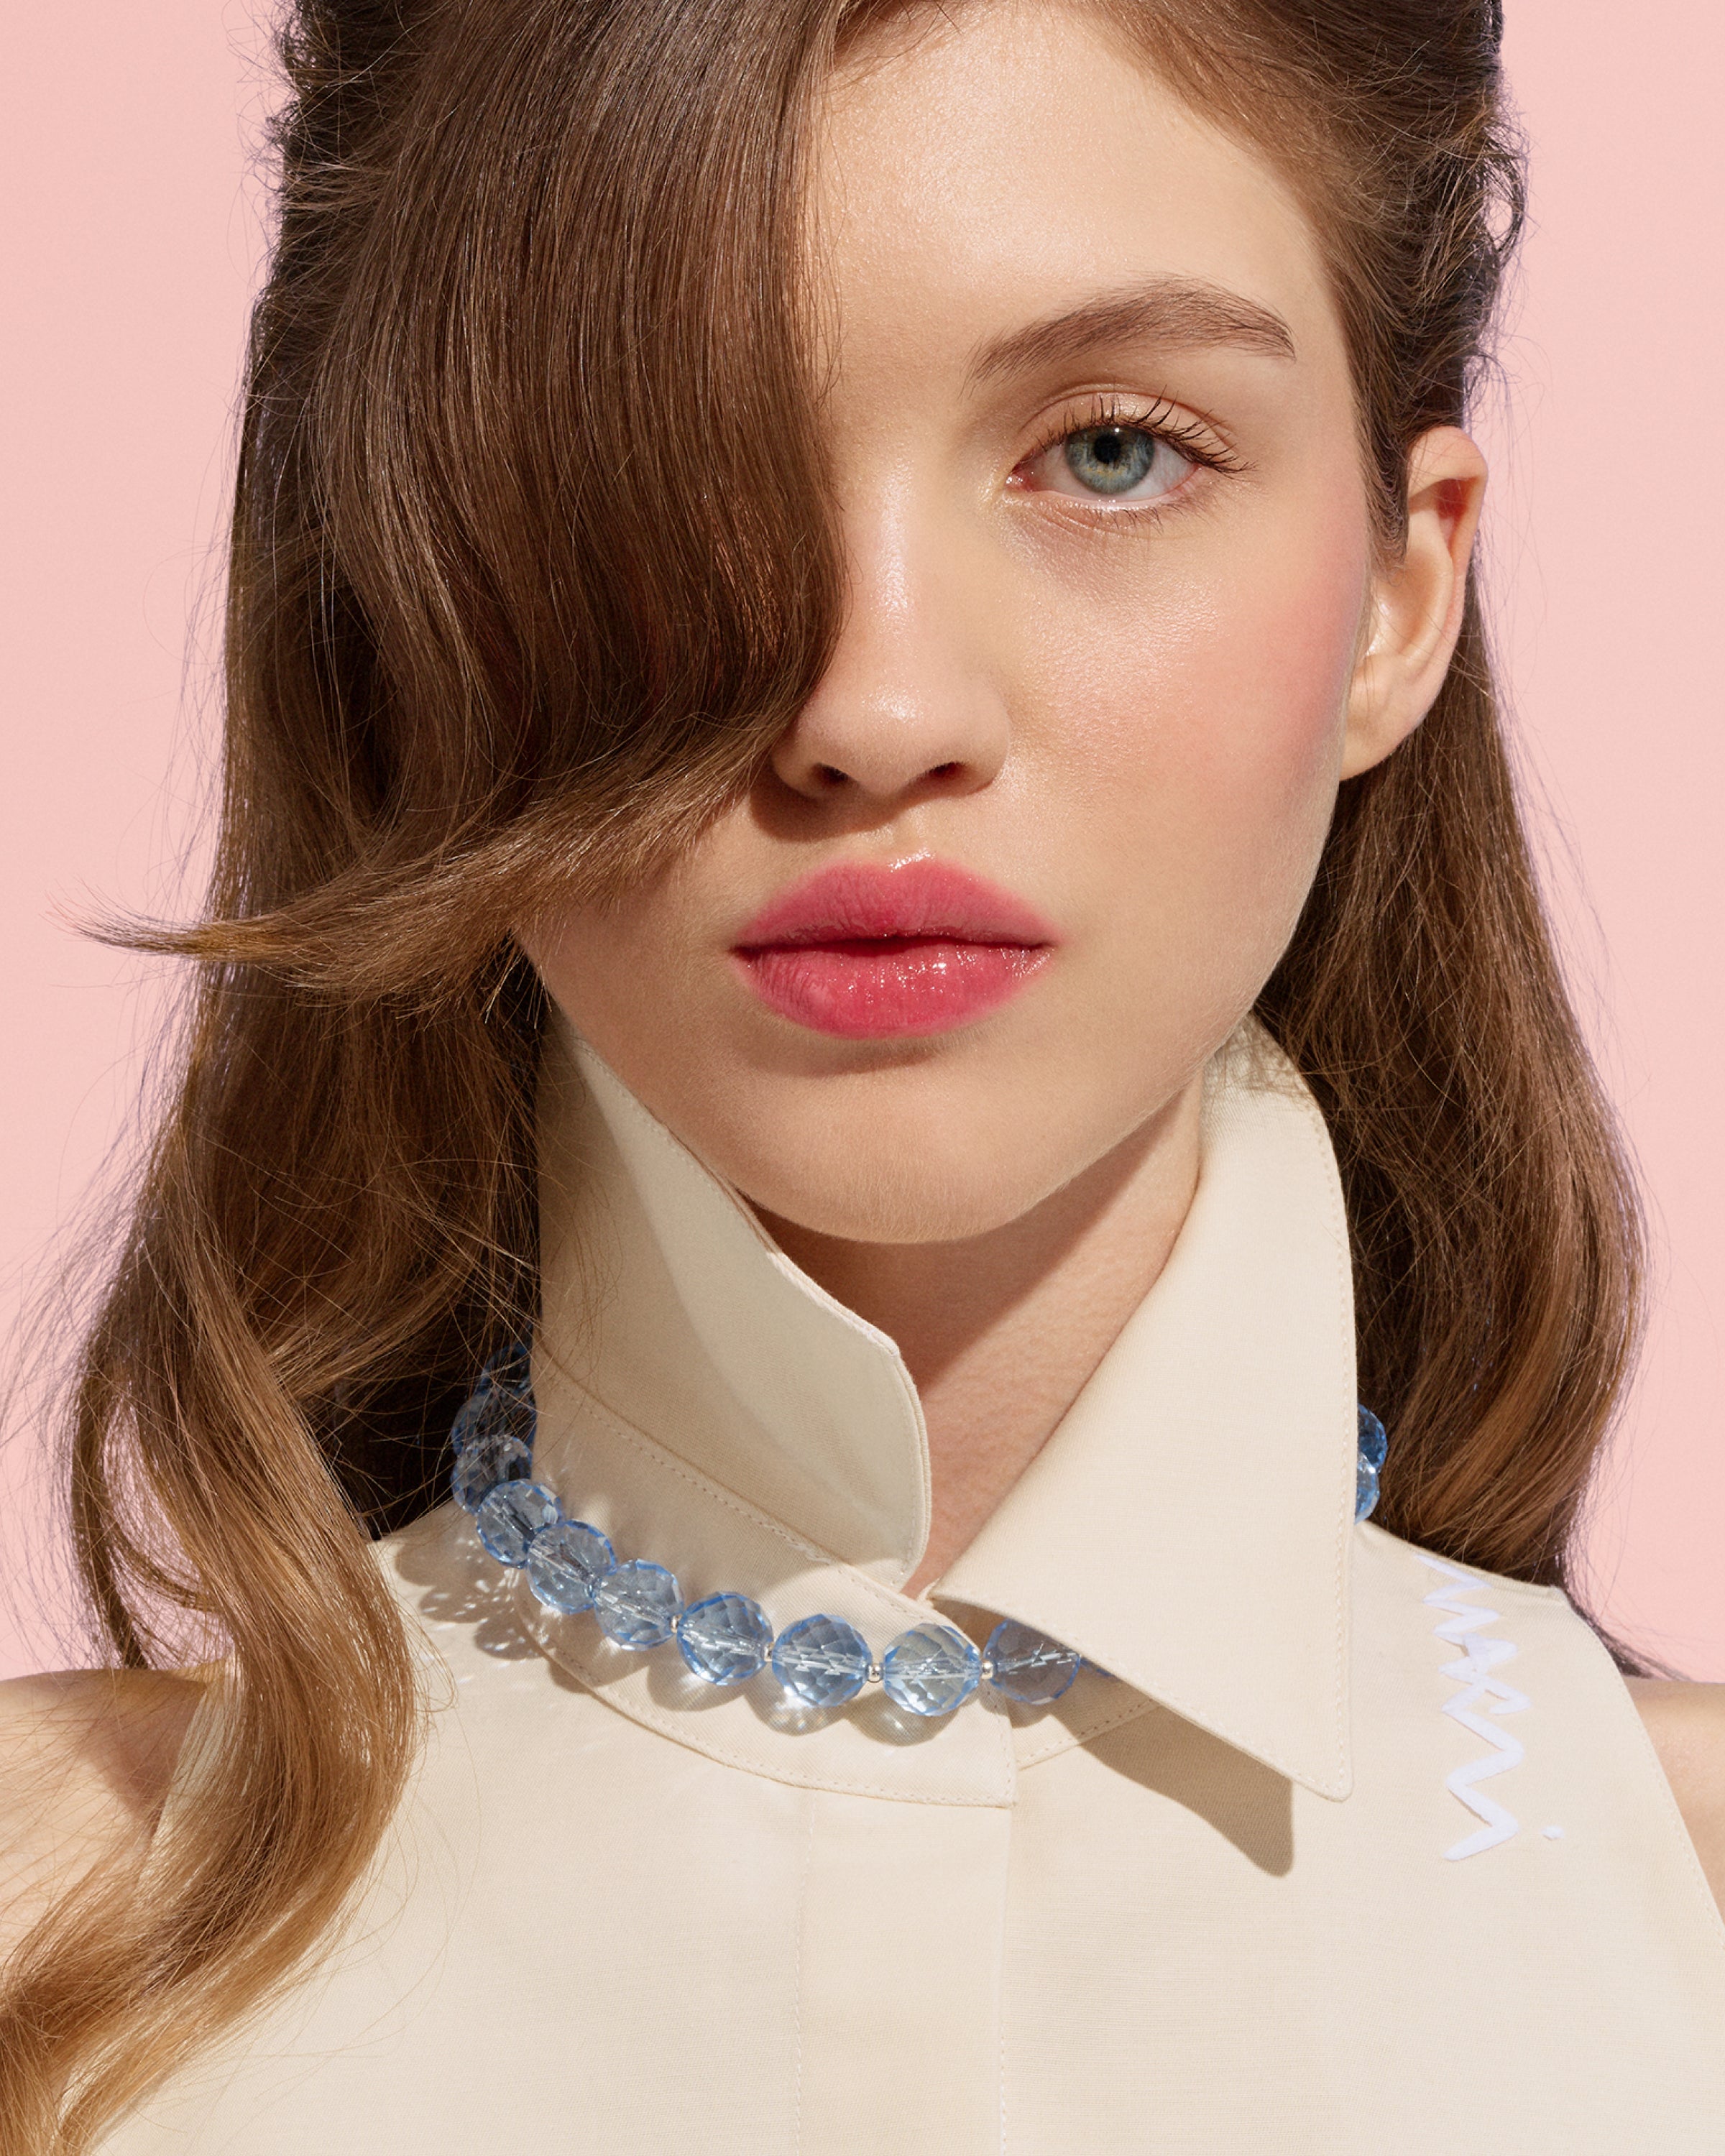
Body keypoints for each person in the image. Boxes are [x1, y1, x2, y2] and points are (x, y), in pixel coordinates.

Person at [2, 0, 1721, 2148]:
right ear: (398, 608)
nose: (872, 697)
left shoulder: (1686, 1924)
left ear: (1400, 583)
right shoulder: (47, 1936)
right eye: (656, 467)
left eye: (1112, 448)